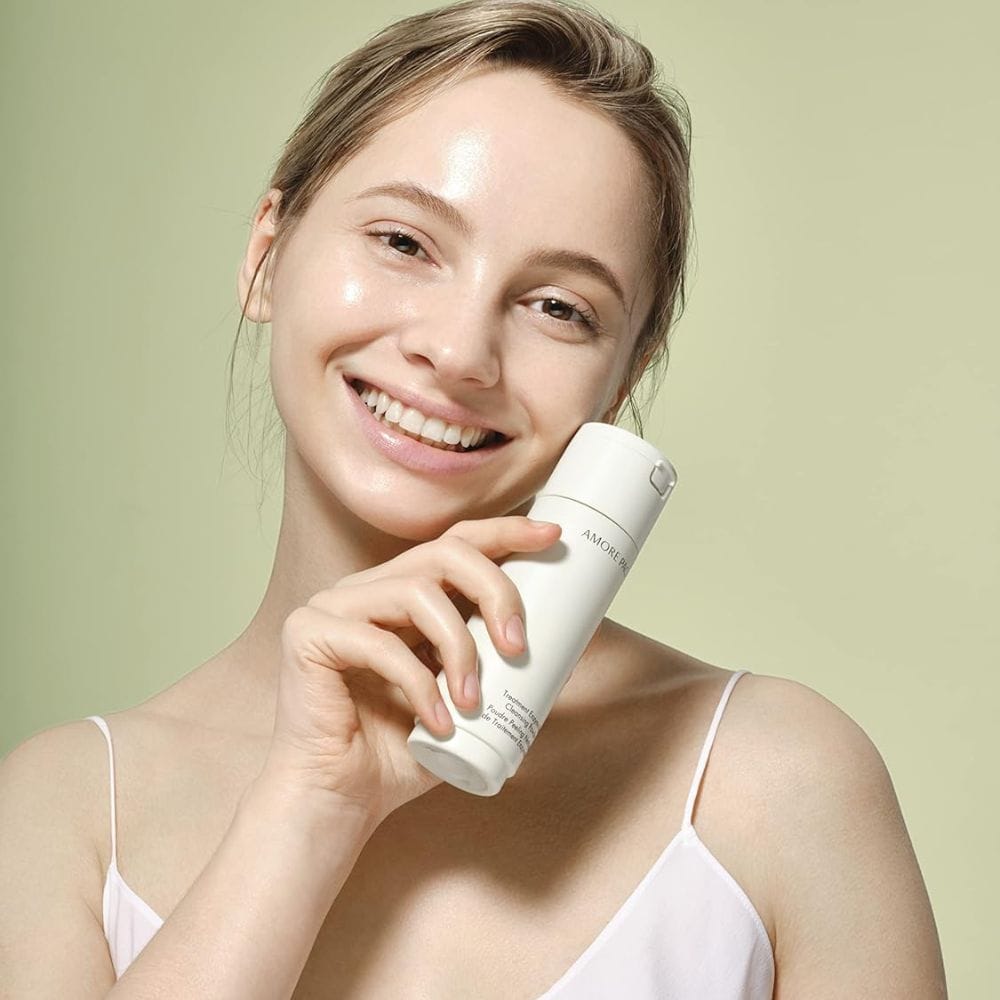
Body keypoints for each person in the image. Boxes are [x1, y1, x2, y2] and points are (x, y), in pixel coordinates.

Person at [0, 1, 948, 997]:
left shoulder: (776, 782)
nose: (458, 352)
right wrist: (310, 808)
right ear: (266, 253)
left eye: (559, 307)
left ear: (622, 378)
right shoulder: (64, 813)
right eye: (404, 242)